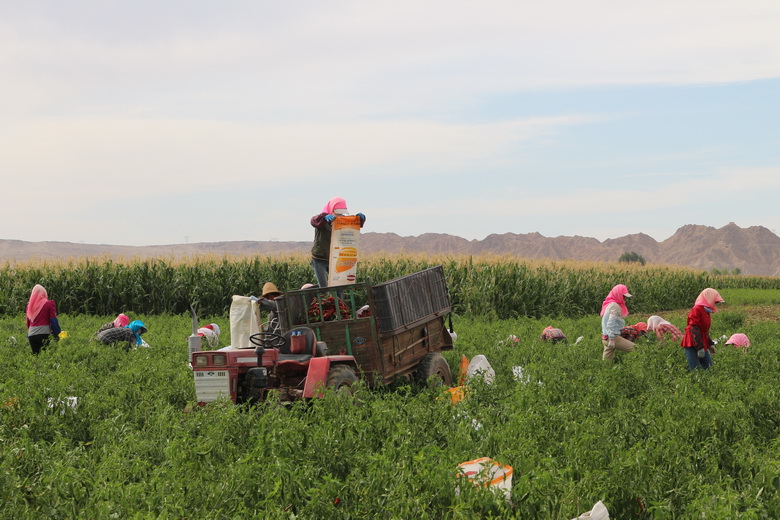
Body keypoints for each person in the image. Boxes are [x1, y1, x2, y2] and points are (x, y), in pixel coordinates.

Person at [310, 197, 365, 288]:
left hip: (335, 259)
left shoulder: (342, 221)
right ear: (332, 210)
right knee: (323, 287)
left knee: (339, 287)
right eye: (337, 213)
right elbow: (313, 221)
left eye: (341, 213)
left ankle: (339, 302)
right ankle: (325, 301)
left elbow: (354, 225)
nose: (340, 216)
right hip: (320, 258)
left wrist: (360, 219)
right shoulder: (322, 220)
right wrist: (324, 217)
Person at [680, 288, 725, 371]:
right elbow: (694, 328)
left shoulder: (706, 311)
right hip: (692, 342)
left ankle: (707, 384)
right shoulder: (697, 309)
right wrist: (699, 347)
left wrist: (710, 344)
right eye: (715, 301)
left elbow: (704, 331)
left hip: (701, 340)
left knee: (709, 368)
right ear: (709, 299)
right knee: (695, 370)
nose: (715, 304)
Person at [600, 284, 634, 361]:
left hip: (605, 337)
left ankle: (606, 371)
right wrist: (612, 338)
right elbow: (610, 323)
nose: (625, 299)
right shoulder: (614, 306)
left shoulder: (609, 304)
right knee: (638, 350)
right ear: (617, 294)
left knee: (606, 362)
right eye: (623, 296)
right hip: (612, 337)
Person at [25, 284, 61, 355]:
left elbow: (28, 322)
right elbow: (53, 320)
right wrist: (57, 333)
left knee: (36, 357)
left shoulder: (30, 306)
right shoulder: (49, 304)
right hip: (44, 333)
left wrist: (29, 334)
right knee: (45, 357)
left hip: (32, 335)